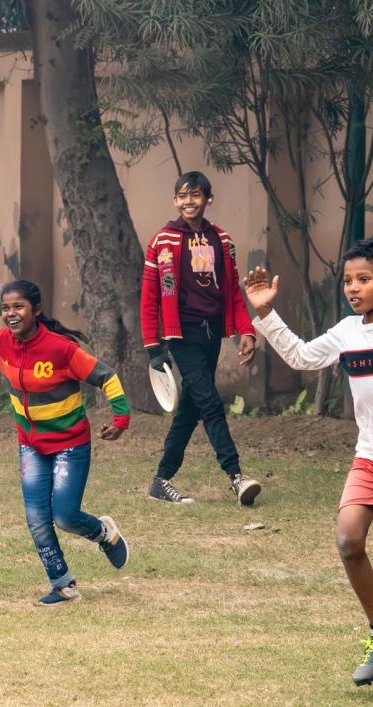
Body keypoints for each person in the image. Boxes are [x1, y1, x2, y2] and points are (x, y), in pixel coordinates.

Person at [0, 270, 130, 605]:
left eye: (18, 306)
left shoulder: (61, 349)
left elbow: (107, 377)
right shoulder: (1, 343)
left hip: (70, 445)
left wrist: (121, 419)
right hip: (31, 446)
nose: (10, 313)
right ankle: (63, 584)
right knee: (36, 518)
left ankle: (103, 532)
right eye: (5, 308)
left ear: (34, 309)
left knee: (64, 516)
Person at [244, 251, 373, 685]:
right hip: (368, 457)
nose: (353, 288)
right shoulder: (348, 331)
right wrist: (265, 313)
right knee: (347, 540)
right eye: (349, 280)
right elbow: (300, 357)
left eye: (365, 279)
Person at [140, 171, 262, 505]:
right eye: (182, 196)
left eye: (195, 195)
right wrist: (153, 347)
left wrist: (245, 331)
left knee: (191, 409)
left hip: (211, 334)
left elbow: (232, 294)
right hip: (181, 335)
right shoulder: (162, 241)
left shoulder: (222, 240)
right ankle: (236, 477)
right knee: (210, 402)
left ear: (208, 199)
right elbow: (149, 298)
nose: (188, 202)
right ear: (175, 201)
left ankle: (161, 480)